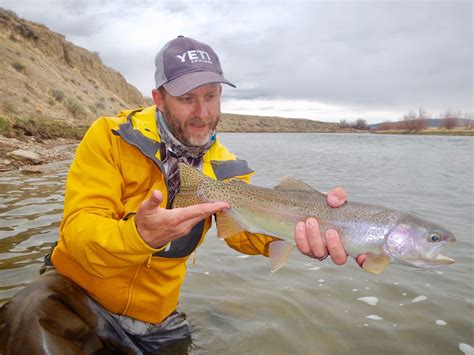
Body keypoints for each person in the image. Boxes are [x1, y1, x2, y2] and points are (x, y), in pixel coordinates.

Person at [0, 36, 365, 354]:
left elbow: (249, 234)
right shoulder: (110, 137)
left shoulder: (227, 169)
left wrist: (302, 227)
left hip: (154, 320)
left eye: (211, 96)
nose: (202, 113)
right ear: (159, 98)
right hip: (74, 296)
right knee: (24, 317)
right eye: (187, 98)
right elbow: (77, 233)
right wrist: (137, 236)